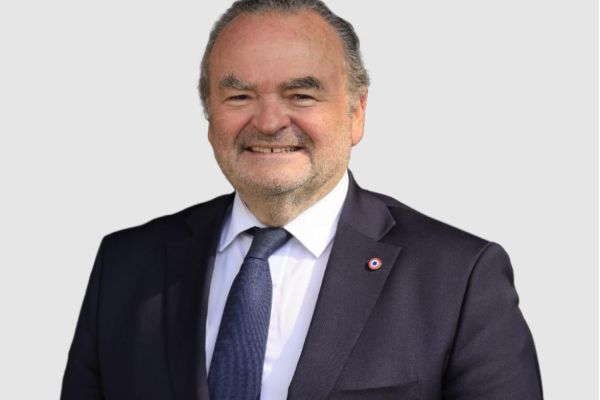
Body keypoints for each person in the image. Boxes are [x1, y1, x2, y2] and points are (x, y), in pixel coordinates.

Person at [61, 0, 544, 399]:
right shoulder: (126, 265)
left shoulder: (458, 277)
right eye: (239, 96)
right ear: (209, 116)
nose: (269, 122)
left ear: (356, 112)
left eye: (301, 95)